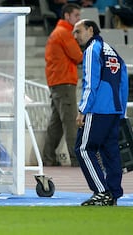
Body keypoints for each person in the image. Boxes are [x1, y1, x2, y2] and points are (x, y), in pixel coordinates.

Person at [72, 19, 128, 206]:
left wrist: (83, 110)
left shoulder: (91, 50)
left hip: (98, 109)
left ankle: (101, 191)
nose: (75, 36)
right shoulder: (111, 51)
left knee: (83, 148)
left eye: (78, 31)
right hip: (114, 109)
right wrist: (121, 111)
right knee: (111, 152)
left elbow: (90, 83)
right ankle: (113, 193)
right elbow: (124, 81)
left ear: (90, 30)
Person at [42, 3, 83, 167]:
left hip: (58, 82)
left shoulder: (58, 32)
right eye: (76, 15)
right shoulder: (64, 33)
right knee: (71, 122)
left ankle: (48, 158)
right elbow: (77, 56)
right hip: (64, 82)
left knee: (57, 124)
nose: (79, 19)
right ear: (67, 16)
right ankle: (76, 159)